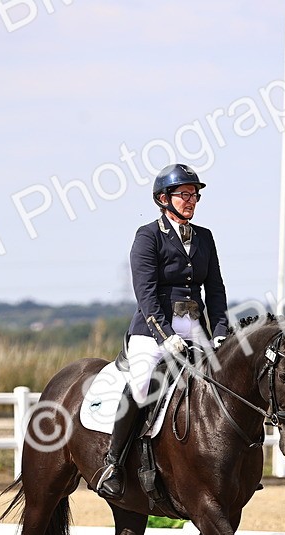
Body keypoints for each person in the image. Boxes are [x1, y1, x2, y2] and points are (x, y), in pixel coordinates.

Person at [94, 163, 230, 500]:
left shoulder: (204, 237)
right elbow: (146, 292)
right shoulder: (148, 235)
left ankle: (227, 465)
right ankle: (113, 463)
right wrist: (164, 334)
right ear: (162, 199)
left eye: (194, 195)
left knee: (224, 383)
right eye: (184, 194)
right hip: (152, 328)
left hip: (194, 327)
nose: (191, 200)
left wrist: (221, 331)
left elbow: (215, 290)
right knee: (142, 387)